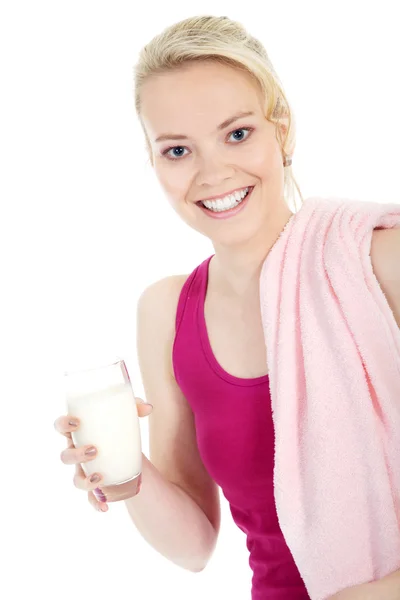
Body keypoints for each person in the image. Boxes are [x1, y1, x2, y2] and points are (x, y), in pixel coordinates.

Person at [54, 15, 396, 600]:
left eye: (237, 134)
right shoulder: (166, 312)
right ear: (155, 163)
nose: (213, 173)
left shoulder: (378, 261)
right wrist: (125, 473)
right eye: (178, 149)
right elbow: (194, 547)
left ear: (280, 131)